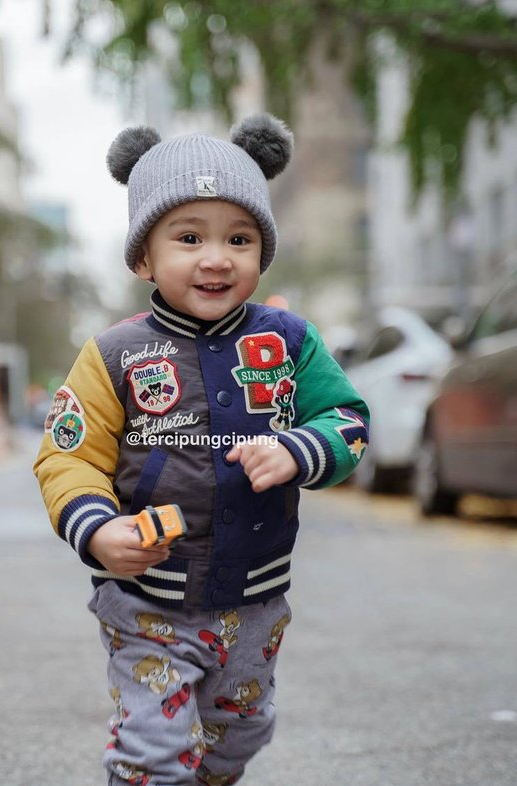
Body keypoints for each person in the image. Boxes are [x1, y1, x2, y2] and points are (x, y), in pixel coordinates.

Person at [34, 113, 370, 786]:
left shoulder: (289, 340)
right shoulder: (114, 354)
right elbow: (68, 456)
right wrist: (97, 531)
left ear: (260, 253)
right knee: (155, 750)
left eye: (239, 238)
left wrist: (302, 449)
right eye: (189, 237)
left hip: (255, 599)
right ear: (143, 257)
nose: (216, 257)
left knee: (238, 735)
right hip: (147, 600)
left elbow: (347, 418)